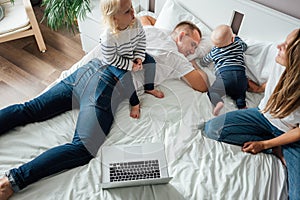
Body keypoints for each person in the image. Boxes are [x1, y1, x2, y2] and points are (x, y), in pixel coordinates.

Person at [0, 16, 209, 200]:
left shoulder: (146, 29)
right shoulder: (176, 57)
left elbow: (148, 17)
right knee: (83, 148)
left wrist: (163, 27)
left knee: (30, 109)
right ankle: (13, 181)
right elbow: (201, 85)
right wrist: (194, 62)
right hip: (106, 86)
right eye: (193, 44)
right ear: (181, 35)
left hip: (89, 70)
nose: (193, 50)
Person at [203, 29, 300, 200]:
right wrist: (258, 89)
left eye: (286, 47)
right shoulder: (279, 60)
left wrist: (264, 144)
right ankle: (276, 148)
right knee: (213, 128)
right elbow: (274, 81)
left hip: (292, 136)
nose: (279, 46)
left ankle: (278, 148)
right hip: (263, 116)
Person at [100, 0, 164, 119]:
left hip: (132, 54)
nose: (133, 11)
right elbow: (111, 58)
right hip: (115, 61)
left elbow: (141, 41)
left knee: (151, 62)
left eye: (132, 7)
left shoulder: (136, 23)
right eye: (127, 11)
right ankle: (134, 102)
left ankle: (149, 87)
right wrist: (129, 66)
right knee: (125, 77)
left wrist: (139, 57)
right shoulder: (108, 37)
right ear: (115, 18)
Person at [200, 24, 248, 116]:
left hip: (224, 76)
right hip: (240, 76)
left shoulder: (214, 51)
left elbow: (204, 62)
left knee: (212, 92)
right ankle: (241, 105)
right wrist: (237, 38)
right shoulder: (237, 45)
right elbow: (245, 46)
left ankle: (218, 102)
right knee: (240, 94)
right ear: (232, 39)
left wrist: (202, 61)